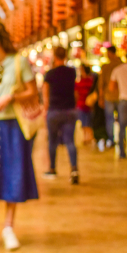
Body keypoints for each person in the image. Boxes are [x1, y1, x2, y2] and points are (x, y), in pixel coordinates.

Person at [0, 24, 39, 250]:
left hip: (13, 124)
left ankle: (9, 227)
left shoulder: (19, 62)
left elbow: (33, 91)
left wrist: (11, 97)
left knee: (14, 172)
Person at [43, 47, 79, 184]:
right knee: (70, 141)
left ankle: (52, 169)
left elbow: (45, 93)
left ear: (54, 56)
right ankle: (74, 169)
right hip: (70, 110)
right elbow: (74, 90)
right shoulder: (71, 72)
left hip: (54, 110)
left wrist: (45, 109)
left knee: (52, 141)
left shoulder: (50, 74)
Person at [98, 46, 122, 148]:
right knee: (122, 119)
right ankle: (122, 138)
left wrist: (101, 97)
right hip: (121, 96)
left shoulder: (106, 67)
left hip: (109, 96)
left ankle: (111, 139)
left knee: (110, 119)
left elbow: (101, 84)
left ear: (111, 53)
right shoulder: (121, 65)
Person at [75, 64, 94, 144]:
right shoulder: (91, 81)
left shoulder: (80, 82)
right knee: (87, 122)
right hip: (87, 104)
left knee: (85, 123)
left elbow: (76, 93)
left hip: (83, 104)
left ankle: (88, 137)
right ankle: (88, 137)